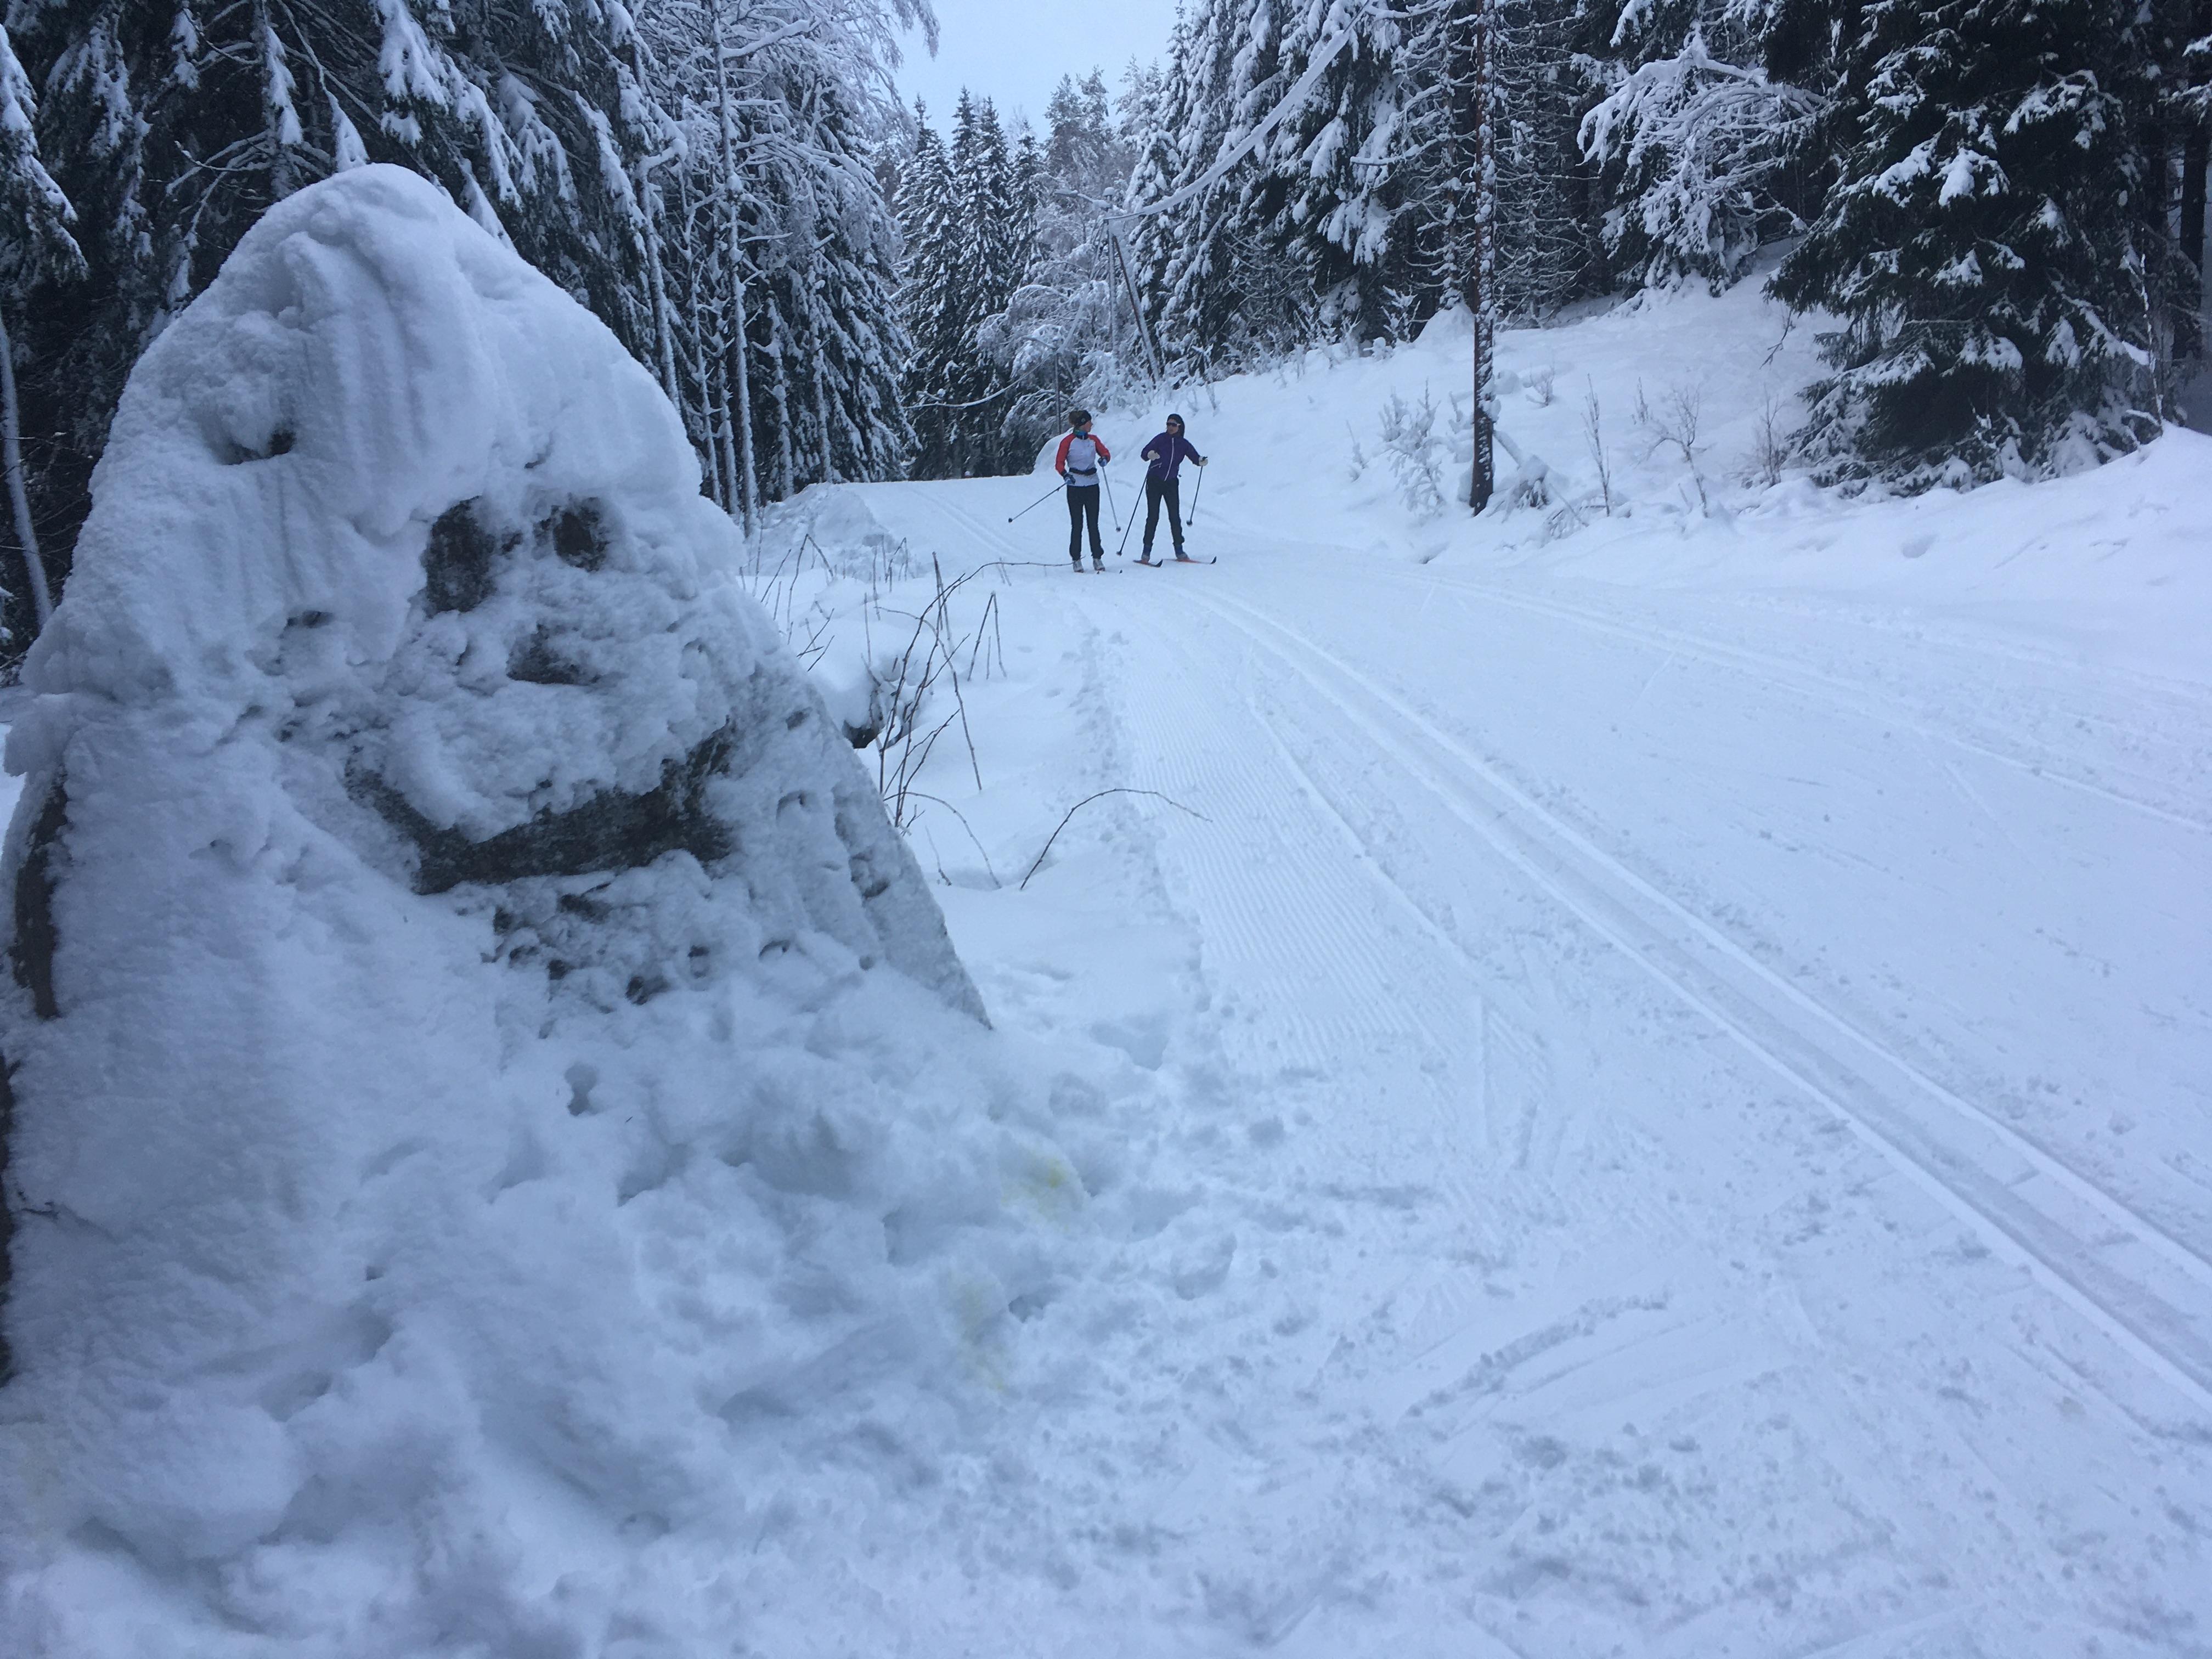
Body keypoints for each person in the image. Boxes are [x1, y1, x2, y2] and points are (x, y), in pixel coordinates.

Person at [1137, 414, 1207, 563]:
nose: (1170, 427)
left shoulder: (1183, 444)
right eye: (1168, 424)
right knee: (1153, 516)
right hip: (1154, 481)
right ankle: (1146, 553)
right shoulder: (1160, 439)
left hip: (1171, 483)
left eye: (1173, 425)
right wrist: (1150, 455)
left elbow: (1195, 458)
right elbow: (1144, 453)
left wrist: (1201, 461)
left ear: (1180, 427)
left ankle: (1180, 551)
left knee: (1174, 516)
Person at [1054, 410, 1111, 572]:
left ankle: (1097, 557)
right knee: (1077, 523)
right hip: (1075, 485)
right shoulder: (1068, 441)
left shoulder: (1094, 440)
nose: (1091, 425)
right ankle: (1076, 559)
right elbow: (1059, 463)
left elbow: (1105, 452)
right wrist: (1065, 475)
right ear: (1082, 423)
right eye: (1089, 422)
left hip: (1093, 484)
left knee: (1093, 523)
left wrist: (1104, 459)